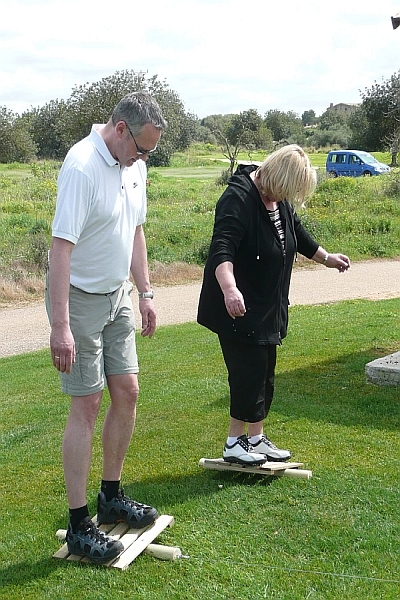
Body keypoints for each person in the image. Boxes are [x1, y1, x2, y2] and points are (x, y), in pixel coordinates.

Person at [46, 92, 167, 564]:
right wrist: (61, 326)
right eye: (142, 148)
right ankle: (80, 525)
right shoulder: (80, 167)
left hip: (117, 296)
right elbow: (61, 249)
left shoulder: (132, 165)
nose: (144, 159)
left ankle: (110, 496)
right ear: (120, 130)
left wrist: (146, 292)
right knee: (87, 404)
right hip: (78, 301)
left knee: (129, 391)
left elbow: (135, 231)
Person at [197, 145, 350, 467]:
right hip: (236, 304)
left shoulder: (276, 199)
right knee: (247, 373)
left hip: (268, 303)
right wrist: (229, 289)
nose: (286, 197)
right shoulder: (237, 198)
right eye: (287, 189)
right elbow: (221, 250)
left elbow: (298, 235)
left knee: (265, 372)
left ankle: (256, 438)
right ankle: (233, 442)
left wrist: (327, 258)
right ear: (276, 176)